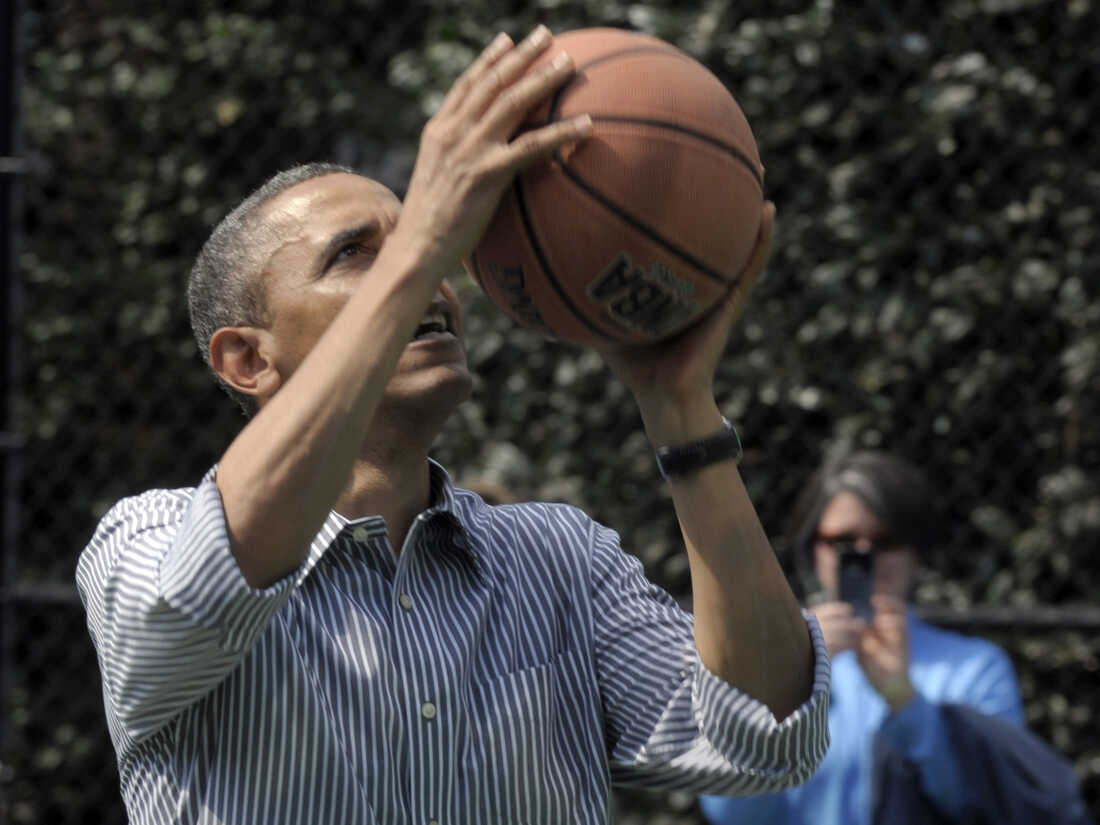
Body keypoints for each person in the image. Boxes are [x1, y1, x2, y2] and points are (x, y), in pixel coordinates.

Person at [75, 26, 830, 825]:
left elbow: (764, 738)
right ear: (248, 360)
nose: (429, 274)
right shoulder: (142, 541)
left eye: (424, 246)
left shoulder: (559, 561)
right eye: (355, 254)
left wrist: (683, 414)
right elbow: (215, 578)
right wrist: (428, 235)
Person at [699, 449, 1034, 825]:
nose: (865, 556)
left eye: (885, 541)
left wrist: (904, 702)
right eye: (843, 542)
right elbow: (730, 813)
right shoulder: (775, 663)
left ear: (915, 551)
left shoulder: (977, 668)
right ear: (813, 550)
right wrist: (790, 689)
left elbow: (992, 805)